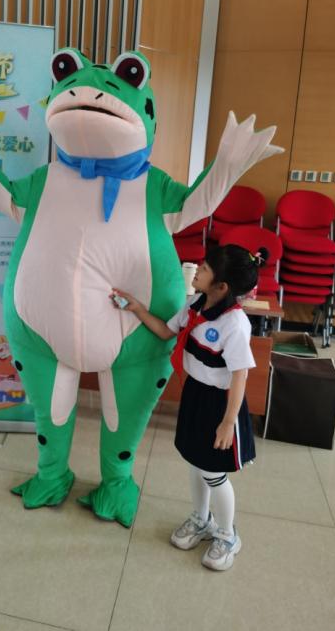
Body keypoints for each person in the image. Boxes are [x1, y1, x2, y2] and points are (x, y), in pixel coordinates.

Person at [111, 244, 268, 571]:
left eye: (205, 268)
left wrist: (228, 422)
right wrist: (136, 308)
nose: (197, 268)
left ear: (221, 287)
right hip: (195, 393)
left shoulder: (234, 324)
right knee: (196, 463)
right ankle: (202, 519)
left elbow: (239, 376)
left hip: (220, 404)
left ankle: (227, 534)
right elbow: (165, 332)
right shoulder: (194, 304)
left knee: (214, 472)